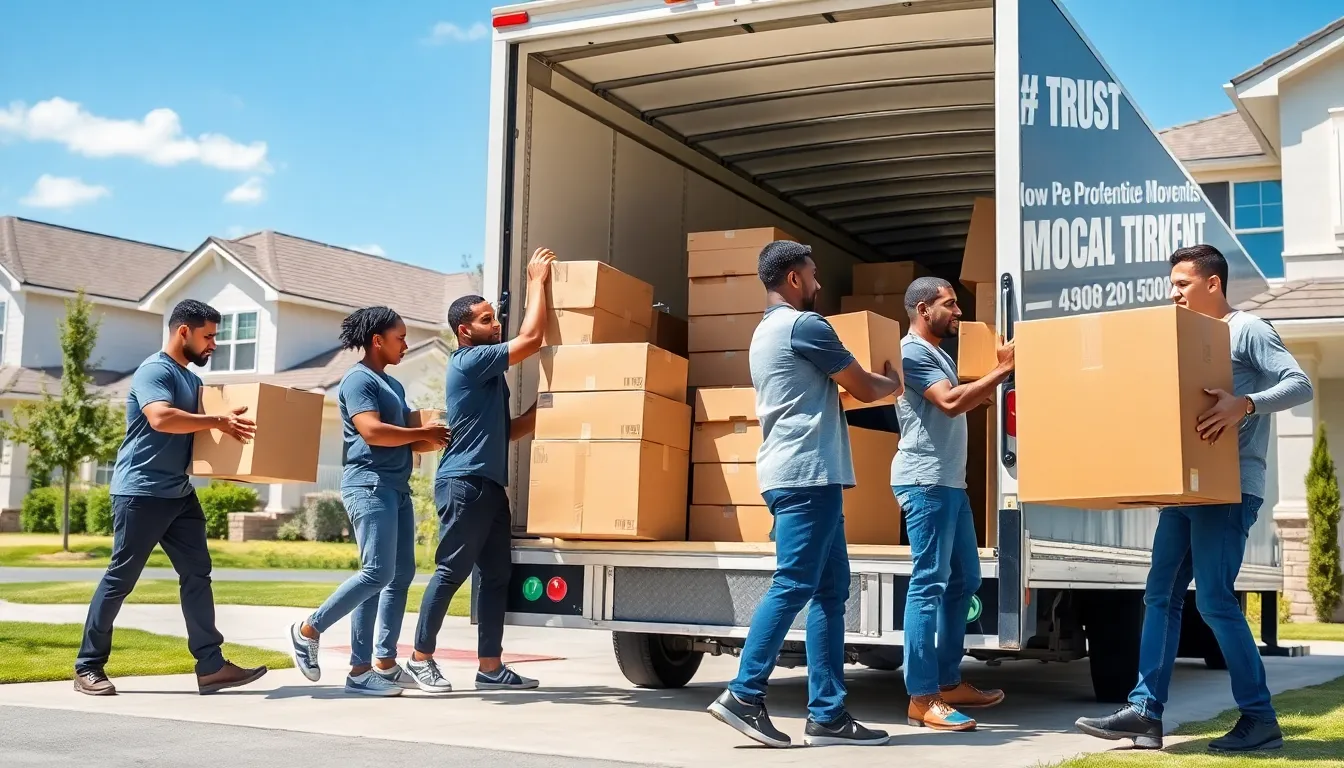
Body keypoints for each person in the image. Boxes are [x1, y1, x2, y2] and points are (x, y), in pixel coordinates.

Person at [1076, 244, 1313, 753]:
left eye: (1182, 283)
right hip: (1183, 486)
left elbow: (1300, 384)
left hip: (1229, 489)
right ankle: (1145, 713)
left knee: (1214, 601)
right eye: (1172, 282)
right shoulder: (1180, 338)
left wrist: (1244, 404)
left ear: (1213, 283)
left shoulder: (1249, 329)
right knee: (1158, 596)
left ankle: (1260, 717)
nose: (1172, 291)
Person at [708, 240, 903, 748]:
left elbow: (819, 391)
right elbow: (862, 387)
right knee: (794, 583)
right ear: (794, 279)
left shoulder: (765, 332)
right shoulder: (806, 326)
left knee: (830, 592)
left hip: (803, 476)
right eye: (813, 275)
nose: (818, 284)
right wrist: (896, 383)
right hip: (806, 477)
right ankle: (743, 695)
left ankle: (829, 715)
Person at [75, 299, 265, 696]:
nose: (214, 344)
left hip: (179, 493)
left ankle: (211, 665)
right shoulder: (154, 371)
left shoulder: (192, 380)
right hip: (141, 493)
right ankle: (87, 667)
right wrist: (218, 420)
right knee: (120, 579)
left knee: (197, 575)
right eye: (209, 336)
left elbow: (198, 438)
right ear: (184, 332)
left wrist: (238, 464)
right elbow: (161, 417)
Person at [404, 247, 557, 693]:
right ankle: (420, 658)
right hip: (463, 484)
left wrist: (546, 408)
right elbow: (531, 340)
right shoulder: (469, 362)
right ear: (464, 331)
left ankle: (490, 668)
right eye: (488, 320)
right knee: (452, 572)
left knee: (495, 576)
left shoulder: (488, 376)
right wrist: (536, 281)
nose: (496, 325)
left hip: (488, 485)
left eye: (495, 318)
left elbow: (506, 432)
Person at [287, 307, 451, 696]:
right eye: (400, 338)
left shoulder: (390, 384)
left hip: (396, 486)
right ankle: (312, 632)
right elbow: (373, 431)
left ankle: (383, 662)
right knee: (376, 572)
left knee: (400, 574)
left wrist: (433, 432)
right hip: (369, 485)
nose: (406, 345)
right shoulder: (358, 380)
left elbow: (404, 430)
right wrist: (419, 433)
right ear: (377, 340)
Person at [891, 276, 1013, 731]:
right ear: (924, 310)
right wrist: (1003, 370)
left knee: (965, 579)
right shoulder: (913, 352)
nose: (958, 312)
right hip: (925, 483)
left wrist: (984, 387)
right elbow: (947, 403)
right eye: (950, 304)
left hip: (949, 484)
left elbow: (959, 400)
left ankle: (945, 681)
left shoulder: (939, 353)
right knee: (929, 584)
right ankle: (922, 698)